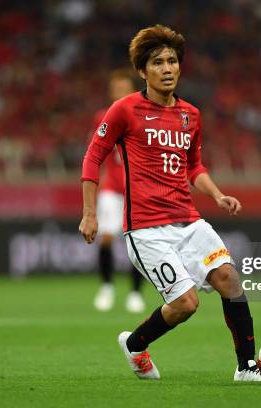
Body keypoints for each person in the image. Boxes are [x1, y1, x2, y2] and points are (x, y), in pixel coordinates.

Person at [79, 25, 261, 382]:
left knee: (230, 279)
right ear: (142, 71)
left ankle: (246, 366)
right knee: (186, 304)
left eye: (173, 61)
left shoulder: (190, 115)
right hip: (147, 229)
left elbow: (194, 166)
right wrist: (90, 213)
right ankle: (135, 343)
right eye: (158, 62)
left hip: (189, 221)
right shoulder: (125, 110)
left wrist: (217, 194)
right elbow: (92, 158)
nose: (167, 68)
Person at [92, 69, 146, 314]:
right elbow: (96, 153)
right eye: (116, 89)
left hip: (136, 189)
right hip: (112, 188)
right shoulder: (103, 117)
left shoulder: (145, 117)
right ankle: (107, 287)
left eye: (124, 88)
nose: (119, 93)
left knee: (138, 243)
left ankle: (135, 293)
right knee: (106, 237)